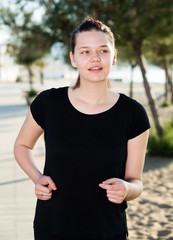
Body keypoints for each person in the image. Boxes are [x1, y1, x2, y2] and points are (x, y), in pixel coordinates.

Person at [14, 17, 150, 240]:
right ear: (73, 59)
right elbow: (21, 145)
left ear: (114, 57)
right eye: (85, 51)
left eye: (103, 51)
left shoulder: (133, 113)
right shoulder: (48, 103)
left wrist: (126, 188)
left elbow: (136, 182)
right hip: (53, 227)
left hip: (108, 230)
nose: (95, 58)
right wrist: (37, 177)